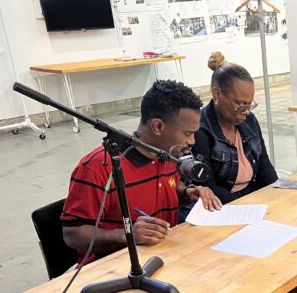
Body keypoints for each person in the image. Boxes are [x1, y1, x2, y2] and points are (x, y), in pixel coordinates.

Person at [192, 52, 297, 293]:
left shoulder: (248, 122)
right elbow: (207, 187)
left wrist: (278, 196)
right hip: (220, 206)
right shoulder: (200, 130)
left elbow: (263, 166)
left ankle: (286, 288)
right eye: (240, 103)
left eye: (250, 104)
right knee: (248, 234)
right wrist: (251, 208)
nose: (245, 110)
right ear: (217, 94)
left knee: (291, 220)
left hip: (250, 197)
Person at [61, 80, 221, 265]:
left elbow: (168, 186)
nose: (192, 141)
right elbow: (71, 234)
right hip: (111, 268)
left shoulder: (167, 155)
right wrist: (127, 234)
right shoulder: (99, 167)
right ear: (158, 126)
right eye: (187, 134)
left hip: (163, 256)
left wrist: (187, 193)